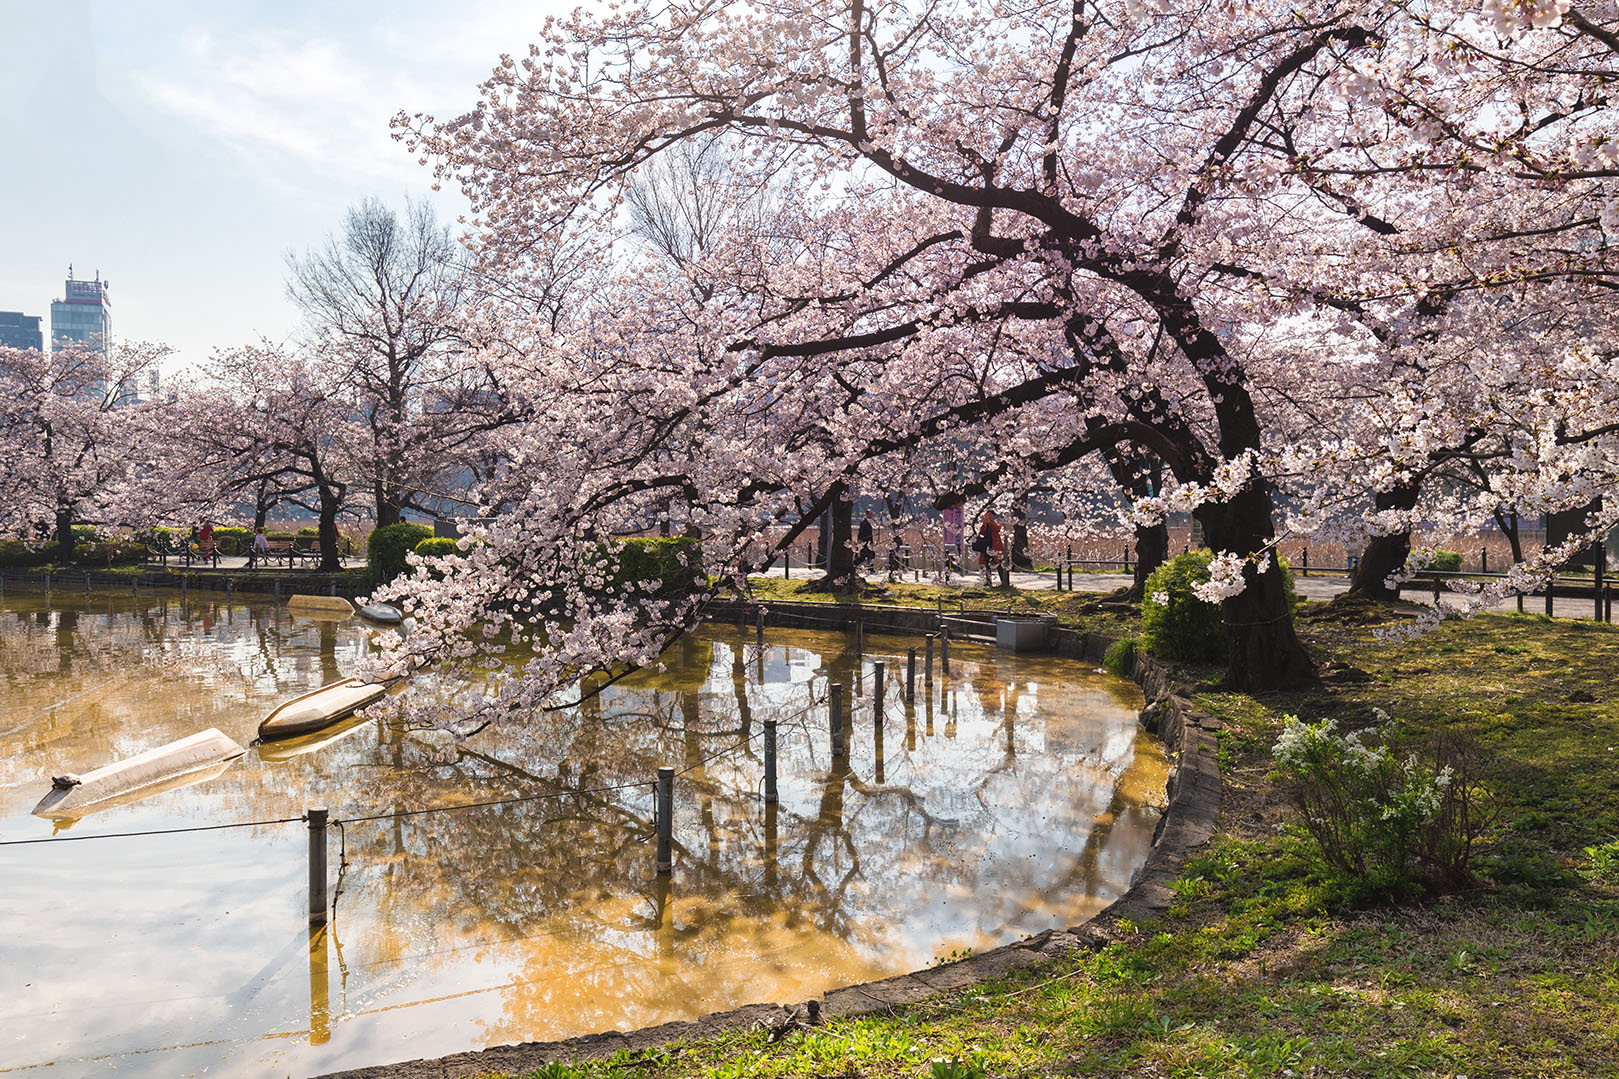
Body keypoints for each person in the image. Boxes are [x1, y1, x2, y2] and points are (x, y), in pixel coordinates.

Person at [977, 509, 1005, 585]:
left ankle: (1003, 581)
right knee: (987, 564)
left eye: (990, 515)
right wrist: (985, 523)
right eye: (987, 515)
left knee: (999, 563)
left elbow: (997, 529)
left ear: (993, 516)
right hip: (987, 547)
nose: (988, 516)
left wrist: (989, 522)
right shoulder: (986, 524)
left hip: (995, 546)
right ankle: (988, 581)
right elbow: (982, 531)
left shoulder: (995, 524)